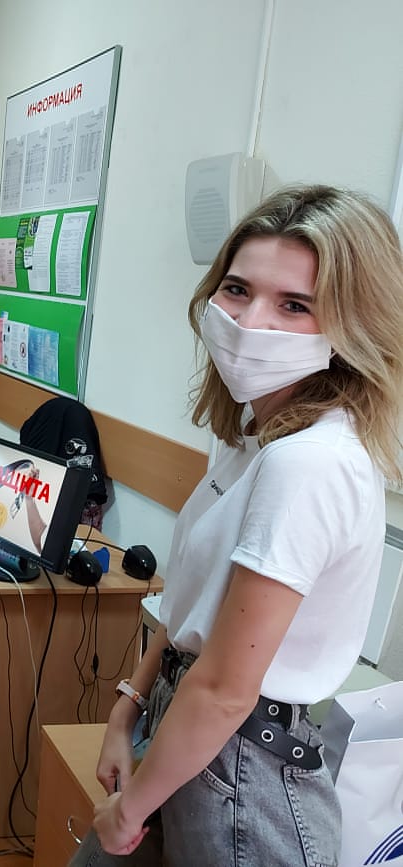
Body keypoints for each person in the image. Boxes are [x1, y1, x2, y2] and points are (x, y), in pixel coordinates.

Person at [71, 185, 403, 867]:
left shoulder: (311, 462)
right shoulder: (254, 435)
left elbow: (226, 688)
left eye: (294, 305)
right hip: (183, 727)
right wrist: (128, 707)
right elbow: (192, 606)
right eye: (237, 289)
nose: (252, 322)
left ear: (353, 326)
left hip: (244, 772)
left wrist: (130, 810)